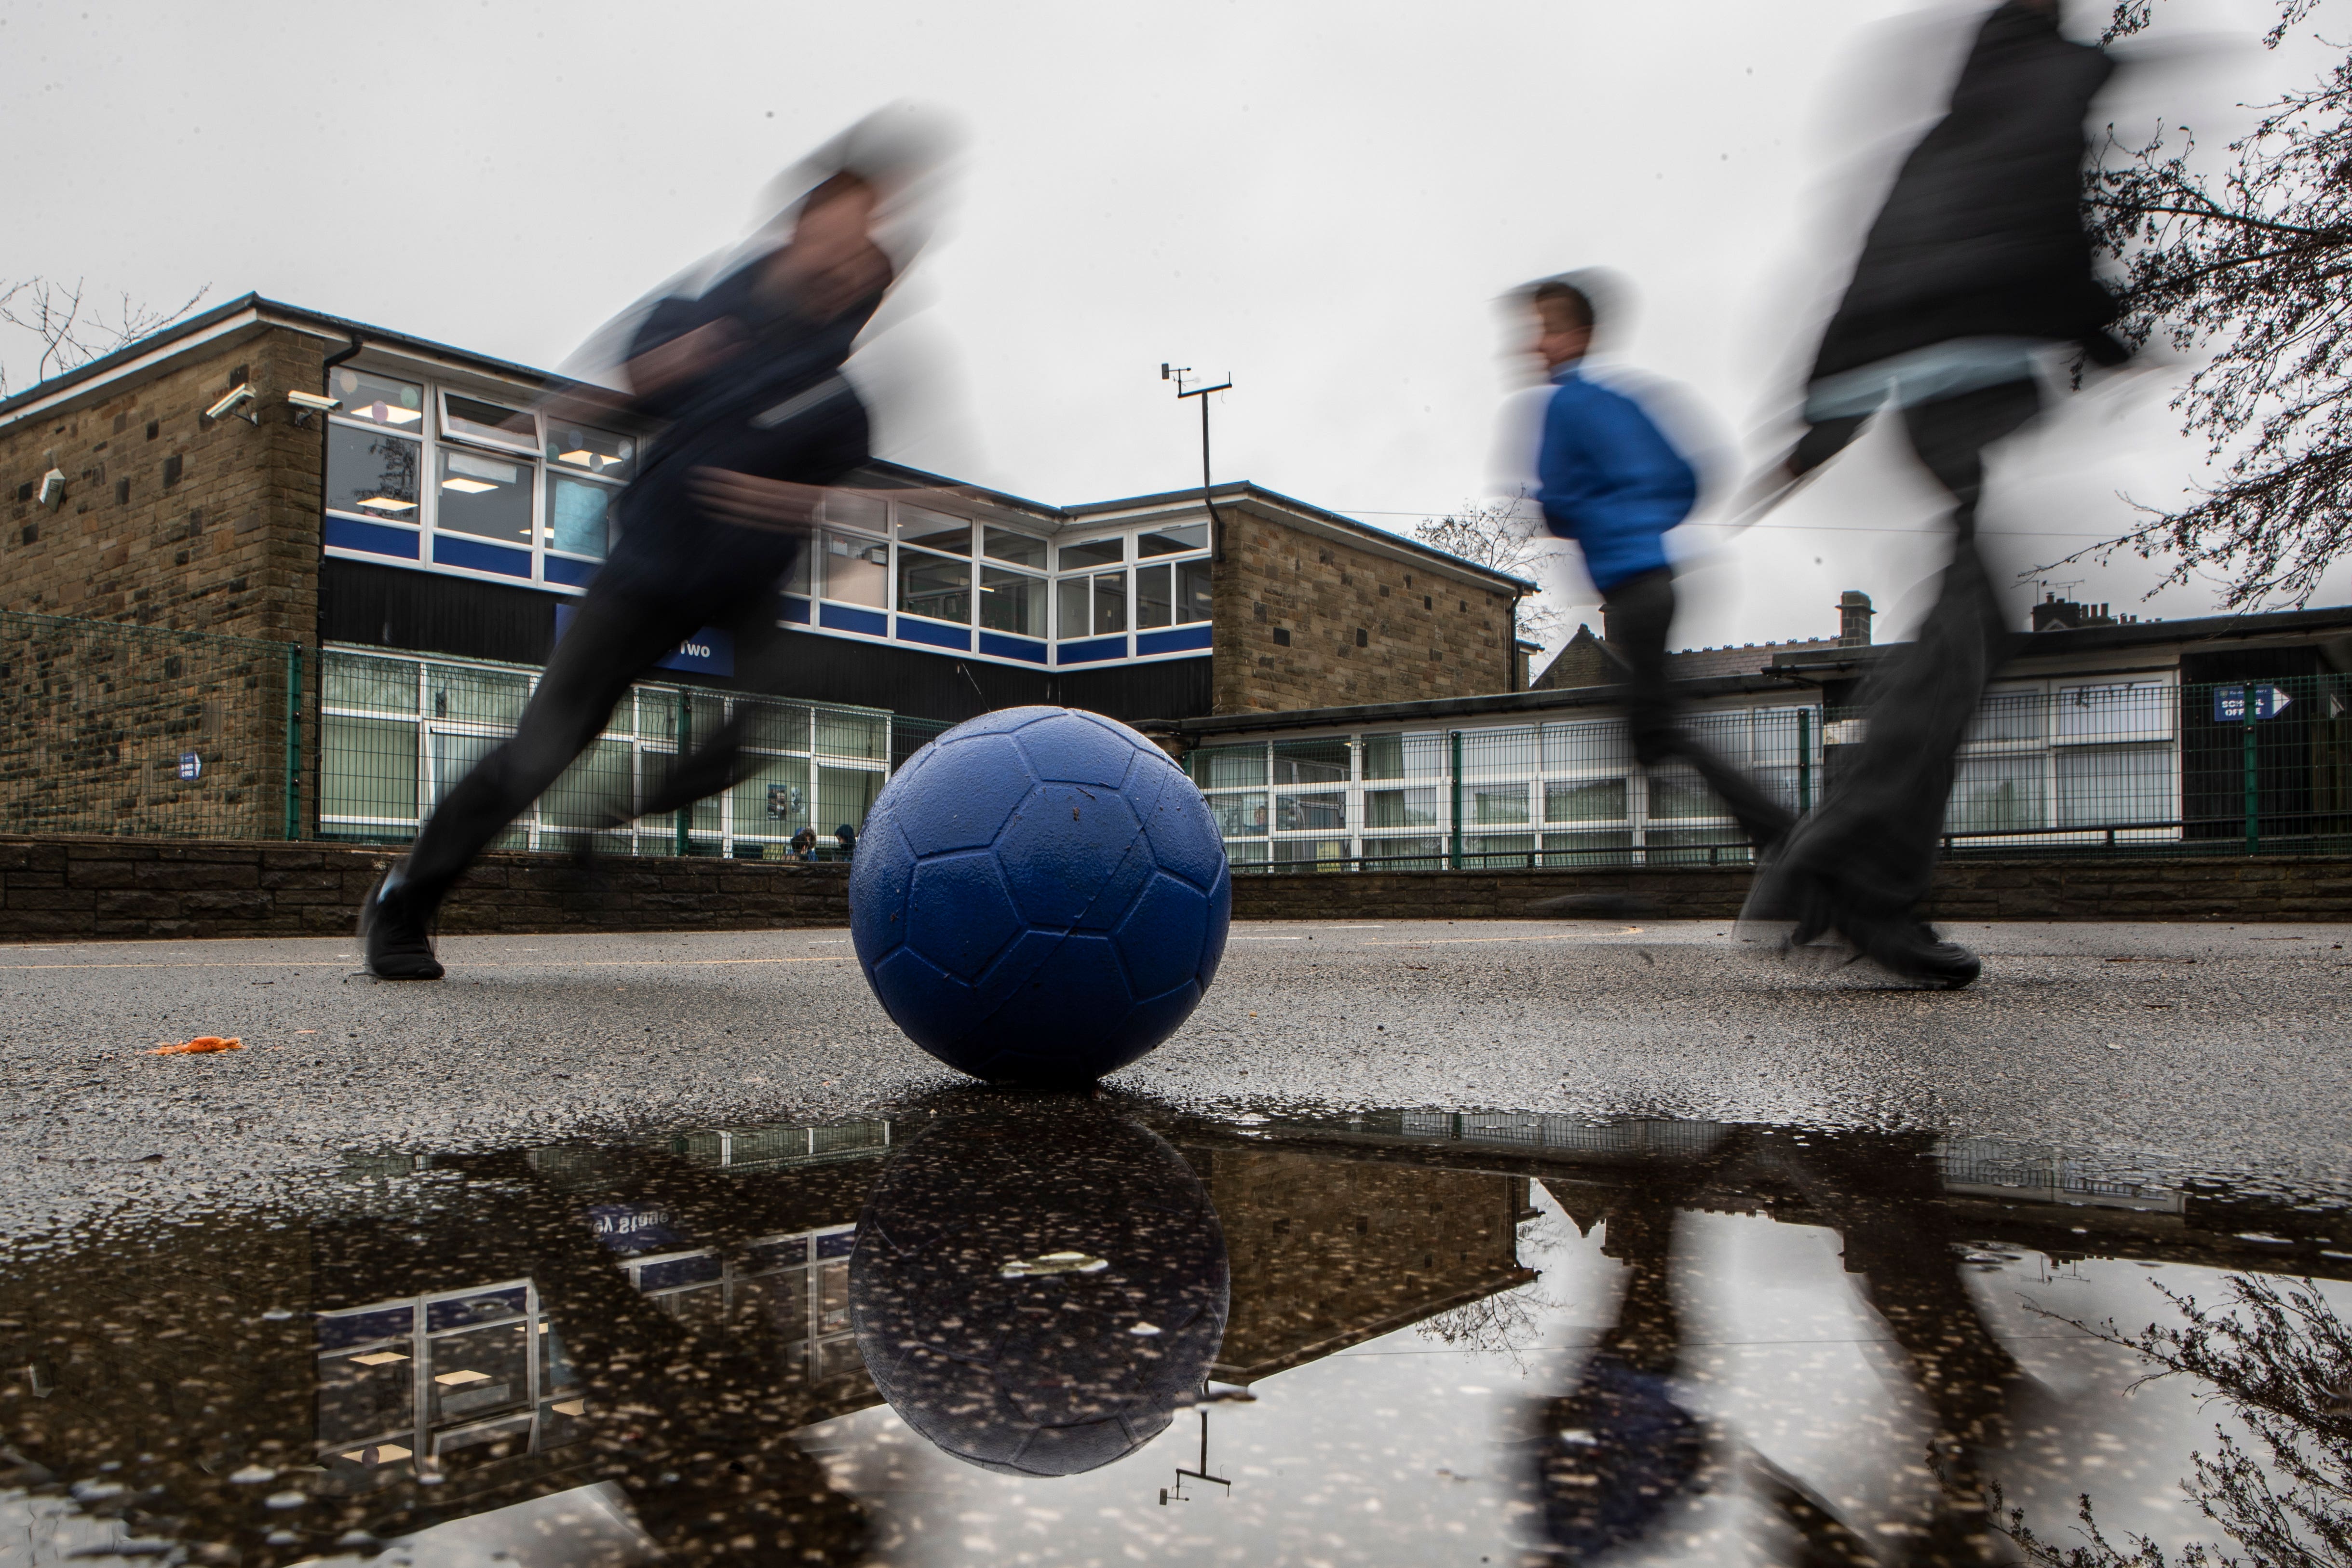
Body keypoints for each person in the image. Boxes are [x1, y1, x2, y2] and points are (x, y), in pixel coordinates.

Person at [362, 111, 952, 980]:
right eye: (840, 236)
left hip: (746, 581)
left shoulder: (837, 399)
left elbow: (851, 499)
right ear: (803, 226)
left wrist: (794, 498)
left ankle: (600, 820)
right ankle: (404, 899)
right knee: (540, 747)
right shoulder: (706, 310)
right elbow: (626, 382)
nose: (849, 268)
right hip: (648, 568)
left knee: (761, 723)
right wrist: (561, 411)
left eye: (868, 261)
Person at [1737, 0, 2127, 988]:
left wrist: (1816, 428)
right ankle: (1851, 868)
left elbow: (1868, 271)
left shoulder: (1944, 133)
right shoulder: (2056, 82)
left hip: (1915, 389)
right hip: (1974, 377)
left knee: (1968, 621)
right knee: (1972, 622)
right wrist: (2099, 328)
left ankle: (1834, 859)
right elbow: (2053, 218)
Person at [1522, 278, 1798, 862]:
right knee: (1644, 732)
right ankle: (1628, 879)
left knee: (1660, 731)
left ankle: (1784, 836)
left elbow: (1558, 502)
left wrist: (1597, 519)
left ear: (1578, 334)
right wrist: (1639, 518)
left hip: (1635, 589)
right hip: (1654, 586)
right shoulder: (1624, 405)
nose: (1534, 345)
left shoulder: (1568, 404)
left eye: (1544, 330)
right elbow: (1688, 478)